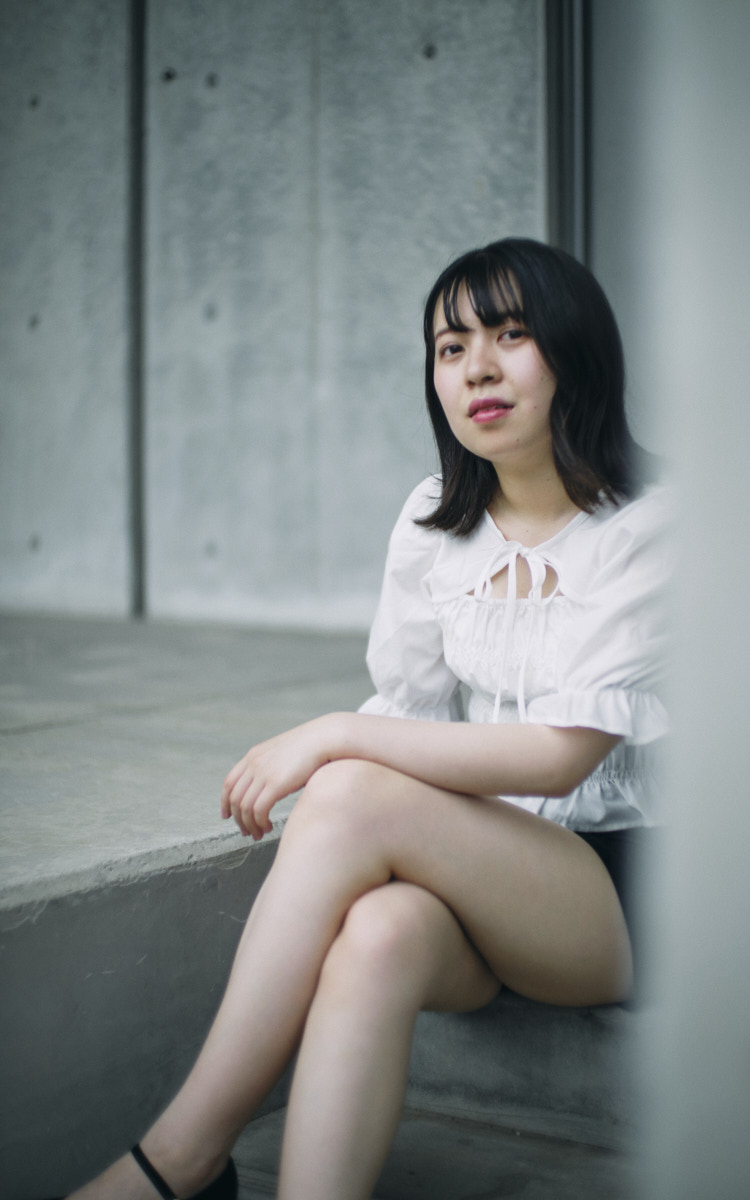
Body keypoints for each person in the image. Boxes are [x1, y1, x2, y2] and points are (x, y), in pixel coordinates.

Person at [54, 237, 671, 1200]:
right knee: (378, 935)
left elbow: (558, 759)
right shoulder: (436, 522)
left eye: (511, 335)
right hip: (490, 877)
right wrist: (357, 745)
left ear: (575, 349)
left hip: (628, 895)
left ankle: (178, 1159)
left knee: (345, 787)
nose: (477, 369)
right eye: (451, 348)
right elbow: (411, 709)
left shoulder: (647, 525)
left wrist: (334, 734)